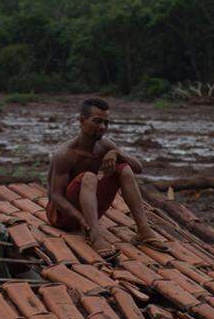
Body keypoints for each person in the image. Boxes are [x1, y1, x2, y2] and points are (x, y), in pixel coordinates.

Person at [45, 97, 167, 258]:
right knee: (88, 177)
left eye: (106, 123)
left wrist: (117, 153)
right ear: (82, 121)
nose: (102, 127)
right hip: (62, 216)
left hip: (89, 210)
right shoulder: (65, 154)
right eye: (97, 121)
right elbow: (55, 196)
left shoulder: (105, 146)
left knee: (123, 169)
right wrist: (82, 220)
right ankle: (95, 237)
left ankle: (144, 230)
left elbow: (138, 168)